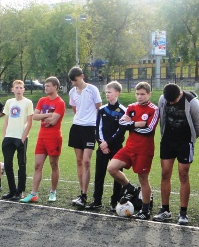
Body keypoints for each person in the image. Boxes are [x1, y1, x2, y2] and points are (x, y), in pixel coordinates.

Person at [107, 82, 159, 220]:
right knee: (112, 168)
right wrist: (135, 124)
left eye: (142, 94)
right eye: (137, 94)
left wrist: (130, 125)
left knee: (143, 180)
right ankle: (129, 187)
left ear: (149, 94)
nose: (139, 97)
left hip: (144, 150)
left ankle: (145, 209)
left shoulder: (154, 109)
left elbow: (149, 129)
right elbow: (122, 124)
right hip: (129, 147)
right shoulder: (131, 107)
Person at [153, 83, 199, 225]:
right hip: (168, 141)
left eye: (173, 101)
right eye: (168, 101)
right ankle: (165, 210)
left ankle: (183, 213)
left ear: (179, 94)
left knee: (183, 174)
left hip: (185, 143)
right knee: (165, 173)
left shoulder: (191, 101)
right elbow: (162, 118)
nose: (170, 103)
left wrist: (190, 141)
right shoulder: (163, 99)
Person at [87, 81, 126, 211]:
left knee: (117, 176)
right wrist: (102, 144)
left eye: (109, 92)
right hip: (102, 148)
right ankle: (97, 200)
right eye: (106, 92)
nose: (107, 94)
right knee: (99, 175)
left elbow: (120, 131)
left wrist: (108, 143)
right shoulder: (102, 110)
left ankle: (115, 202)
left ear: (117, 93)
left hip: (117, 149)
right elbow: (97, 129)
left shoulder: (123, 111)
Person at [68, 67, 102, 207]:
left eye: (75, 80)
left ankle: (85, 194)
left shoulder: (93, 89)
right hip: (77, 127)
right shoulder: (72, 92)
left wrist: (96, 127)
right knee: (78, 160)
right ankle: (82, 194)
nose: (74, 83)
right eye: (72, 81)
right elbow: (75, 109)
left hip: (90, 128)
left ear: (81, 76)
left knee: (86, 161)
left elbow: (99, 108)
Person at [0, 80, 33, 202]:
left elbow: (29, 122)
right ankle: (12, 190)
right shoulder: (9, 102)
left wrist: (23, 138)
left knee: (21, 164)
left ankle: (20, 191)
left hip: (21, 138)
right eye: (16, 87)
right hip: (9, 138)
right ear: (12, 89)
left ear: (24, 89)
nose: (18, 89)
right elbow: (6, 120)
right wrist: (4, 137)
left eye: (21, 87)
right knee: (8, 165)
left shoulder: (28, 102)